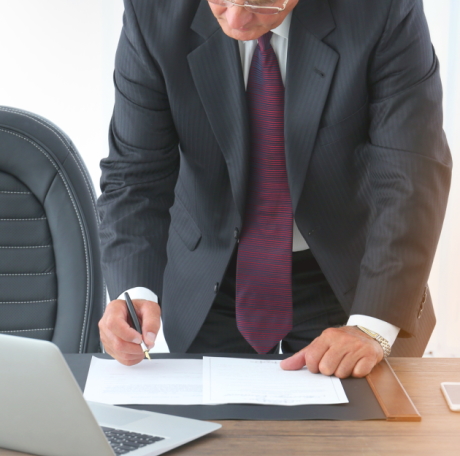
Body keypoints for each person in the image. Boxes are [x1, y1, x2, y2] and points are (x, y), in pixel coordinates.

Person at [97, 0, 451, 377]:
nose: (235, 18)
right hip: (211, 271)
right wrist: (134, 293)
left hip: (350, 270)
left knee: (358, 415)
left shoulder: (382, 10)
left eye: (258, 2)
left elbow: (411, 173)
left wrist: (371, 325)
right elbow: (135, 173)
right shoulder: (153, 11)